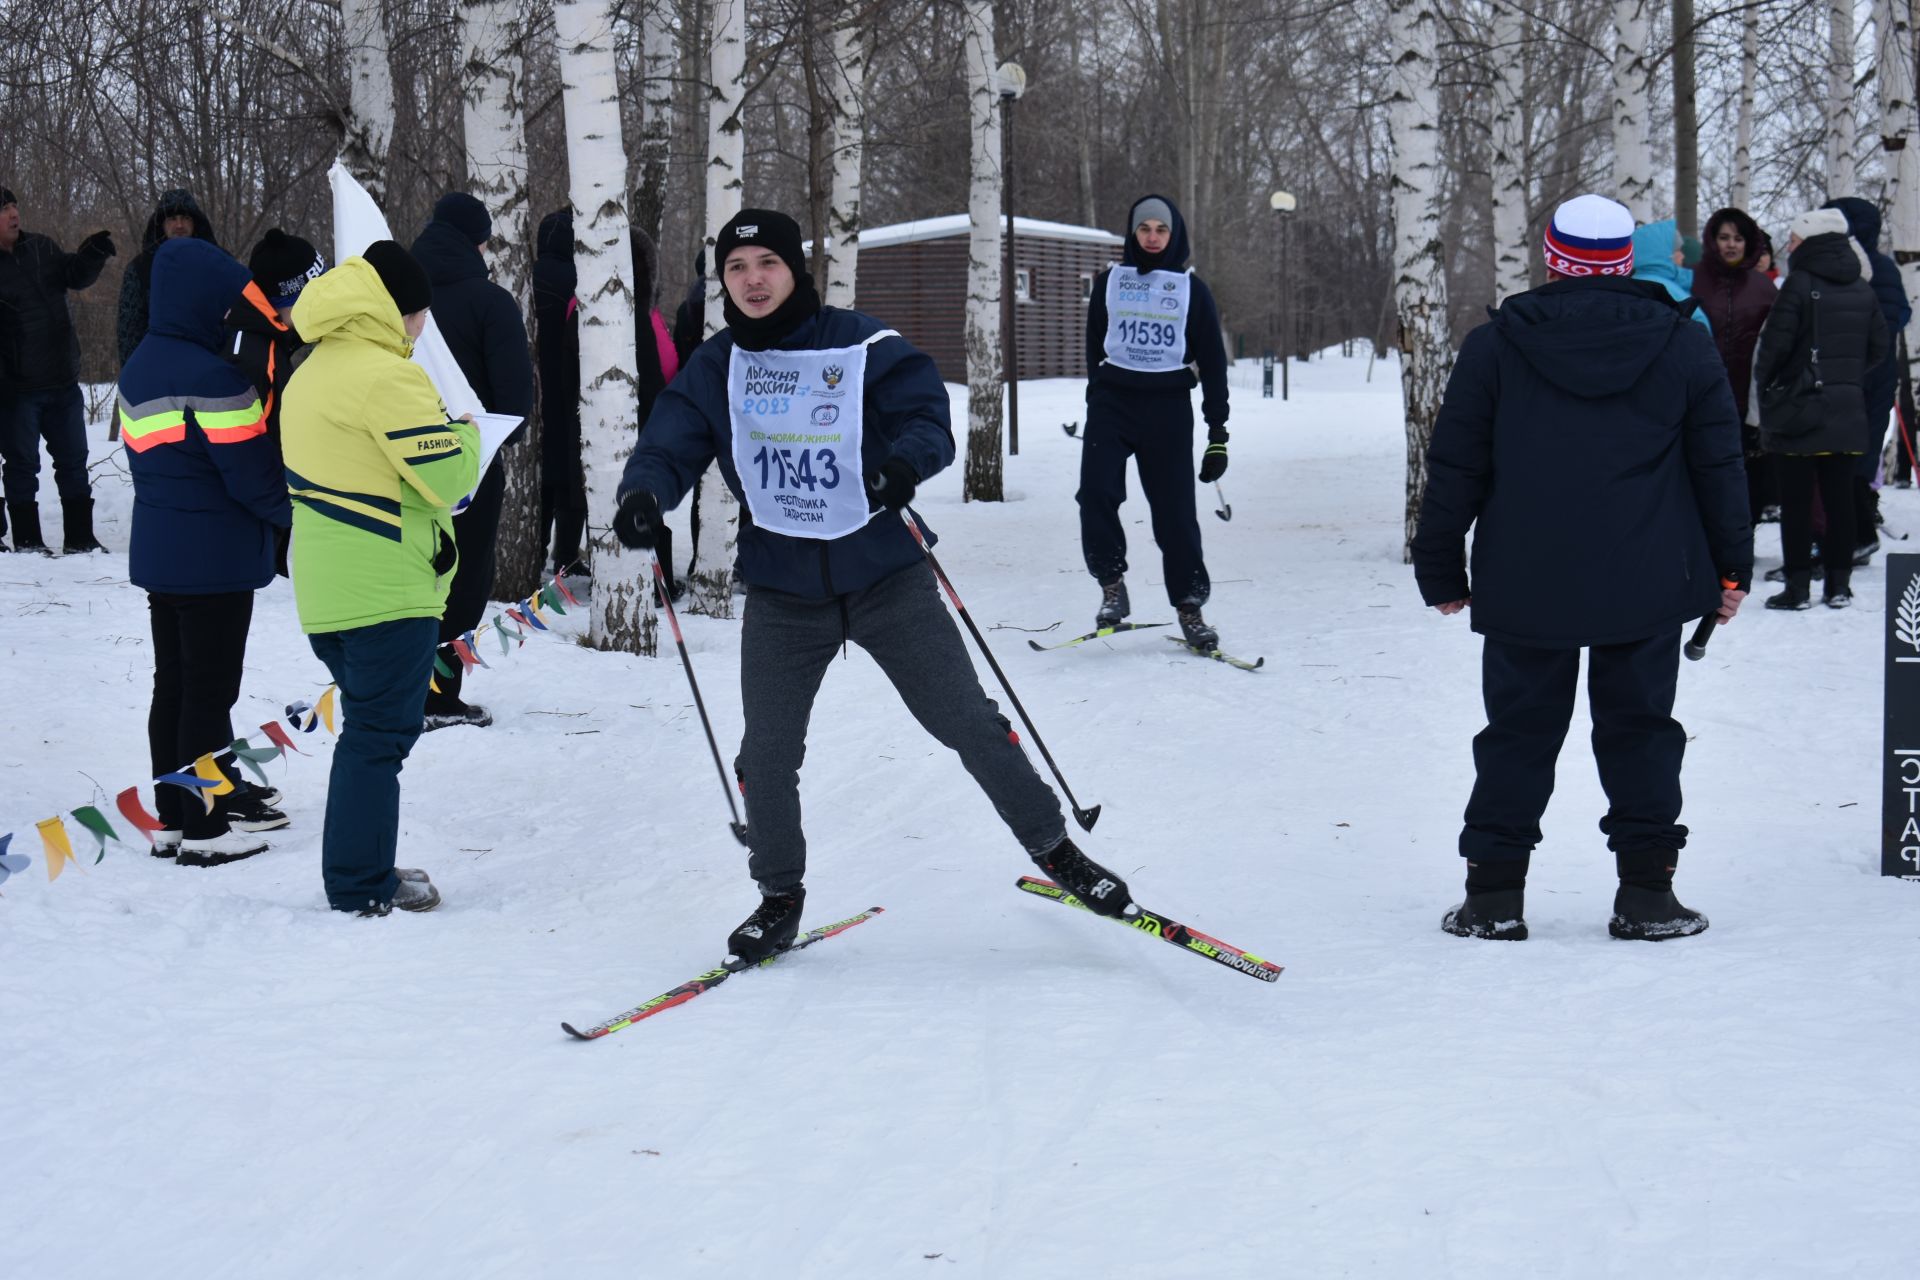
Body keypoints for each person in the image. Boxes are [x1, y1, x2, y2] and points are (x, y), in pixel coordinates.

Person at [611, 208, 1134, 961]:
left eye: (767, 264)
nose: (753, 281)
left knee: (967, 720)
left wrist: (905, 464)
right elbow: (670, 441)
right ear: (723, 282)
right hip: (784, 594)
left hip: (886, 578)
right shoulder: (716, 365)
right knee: (766, 755)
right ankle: (778, 895)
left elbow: (927, 414)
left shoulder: (859, 344)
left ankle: (1057, 851)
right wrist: (643, 495)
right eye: (736, 269)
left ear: (794, 270)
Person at [1411, 193, 1752, 943]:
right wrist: (1732, 570)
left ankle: (1494, 898)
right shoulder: (1681, 341)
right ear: (1626, 260)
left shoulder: (1495, 346)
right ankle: (1648, 898)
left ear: (1552, 259)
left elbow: (1456, 464)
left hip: (1528, 578)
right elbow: (1719, 465)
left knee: (1518, 733)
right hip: (1649, 575)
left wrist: (1439, 565)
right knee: (1641, 732)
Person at [281, 241, 479, 915]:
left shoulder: (310, 369)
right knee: (378, 739)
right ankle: (359, 884)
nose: (424, 327)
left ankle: (362, 868)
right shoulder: (385, 377)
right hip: (386, 590)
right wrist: (469, 433)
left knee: (369, 734)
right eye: (422, 314)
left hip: (330, 591)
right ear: (404, 312)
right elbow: (448, 477)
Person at [117, 238, 292, 865]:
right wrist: (297, 518)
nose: (228, 317)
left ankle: (172, 820)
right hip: (216, 561)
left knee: (173, 689)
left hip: (162, 556)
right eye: (223, 307)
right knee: (209, 695)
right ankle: (206, 832)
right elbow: (255, 480)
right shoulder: (215, 379)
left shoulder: (137, 368)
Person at [1078, 194, 1231, 653]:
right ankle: (1111, 584)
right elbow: (1094, 344)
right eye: (1144, 228)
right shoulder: (1110, 282)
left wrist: (1217, 433)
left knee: (1175, 514)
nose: (1151, 237)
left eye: (1160, 230)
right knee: (1096, 493)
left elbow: (1214, 364)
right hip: (1114, 402)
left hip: (1167, 406)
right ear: (1132, 232)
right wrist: (1097, 395)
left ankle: (1190, 607)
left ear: (1173, 234)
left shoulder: (1191, 289)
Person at [409, 192, 533, 730]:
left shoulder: (393, 298)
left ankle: (401, 688)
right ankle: (438, 697)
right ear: (477, 242)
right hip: (470, 467)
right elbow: (515, 406)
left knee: (412, 581)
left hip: (398, 463)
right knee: (463, 584)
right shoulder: (490, 302)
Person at [1754, 209, 1890, 610]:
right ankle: (1839, 587)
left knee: (1796, 503)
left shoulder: (1799, 283)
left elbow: (1772, 350)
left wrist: (1773, 386)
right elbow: (1879, 348)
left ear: (1811, 242)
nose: (1789, 246)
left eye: (1794, 239)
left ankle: (1798, 588)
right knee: (1840, 502)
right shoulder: (1863, 288)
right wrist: (1846, 377)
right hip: (1848, 412)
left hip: (1800, 413)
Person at [0, 186, 115, 553]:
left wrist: (92, 256)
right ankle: (29, 542)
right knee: (22, 466)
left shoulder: (41, 247)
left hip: (64, 379)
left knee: (74, 463)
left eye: (15, 205)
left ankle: (80, 539)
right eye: (4, 209)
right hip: (19, 389)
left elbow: (74, 275)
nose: (14, 214)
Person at [1823, 197, 1913, 563]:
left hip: (1853, 372)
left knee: (1844, 455)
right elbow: (1902, 314)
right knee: (1865, 451)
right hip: (1881, 371)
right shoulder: (1886, 268)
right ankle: (1859, 528)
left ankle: (1856, 534)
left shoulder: (1854, 268)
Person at [1692, 207, 1780, 523]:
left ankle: (1742, 548)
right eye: (1724, 237)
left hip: (1749, 402)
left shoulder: (1763, 287)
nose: (1731, 245)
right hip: (1702, 398)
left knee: (1747, 480)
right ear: (1712, 240)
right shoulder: (1693, 280)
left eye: (1738, 238)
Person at [117, 189, 219, 367]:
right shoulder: (141, 269)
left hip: (209, 370)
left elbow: (234, 321)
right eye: (172, 219)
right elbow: (129, 331)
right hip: (158, 371)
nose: (179, 225)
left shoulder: (216, 263)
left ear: (195, 223)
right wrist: (134, 374)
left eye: (185, 218)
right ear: (161, 224)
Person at [1629, 219, 1710, 332]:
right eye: (1678, 250)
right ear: (1665, 255)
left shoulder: (1631, 284)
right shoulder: (1669, 291)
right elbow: (1702, 330)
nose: (1682, 256)